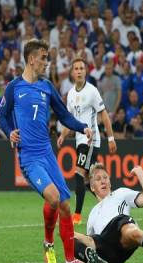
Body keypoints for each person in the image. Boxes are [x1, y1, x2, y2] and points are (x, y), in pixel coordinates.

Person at [0, 39, 93, 263]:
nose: (46, 62)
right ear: (31, 59)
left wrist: (83, 127)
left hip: (47, 154)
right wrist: (10, 132)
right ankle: (48, 244)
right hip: (29, 157)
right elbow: (1, 116)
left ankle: (70, 261)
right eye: (43, 57)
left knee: (66, 206)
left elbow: (63, 115)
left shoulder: (47, 87)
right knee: (53, 197)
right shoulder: (14, 87)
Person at [57, 57, 117, 225]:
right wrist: (63, 135)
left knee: (78, 173)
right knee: (87, 180)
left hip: (91, 140)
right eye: (75, 68)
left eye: (81, 68)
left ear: (86, 71)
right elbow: (70, 120)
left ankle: (77, 215)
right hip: (79, 139)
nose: (78, 71)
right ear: (72, 72)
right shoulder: (70, 94)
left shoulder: (92, 91)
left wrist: (111, 137)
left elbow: (103, 114)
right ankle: (109, 203)